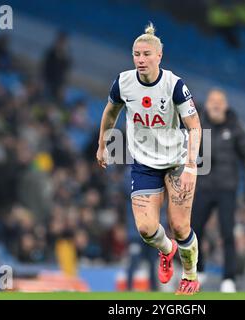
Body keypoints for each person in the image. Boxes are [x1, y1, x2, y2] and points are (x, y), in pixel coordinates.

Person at [96, 23, 202, 295]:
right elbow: (110, 113)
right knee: (145, 229)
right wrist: (102, 144)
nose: (140, 60)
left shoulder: (174, 85)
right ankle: (167, 250)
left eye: (145, 54)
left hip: (176, 161)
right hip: (144, 164)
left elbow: (195, 126)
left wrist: (191, 166)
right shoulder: (123, 82)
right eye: (136, 54)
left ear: (159, 57)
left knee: (179, 226)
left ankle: (190, 276)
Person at [192, 88, 245, 292]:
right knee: (193, 230)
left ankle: (228, 278)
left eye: (220, 102)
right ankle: (196, 271)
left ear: (226, 106)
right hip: (203, 186)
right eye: (212, 101)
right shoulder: (198, 125)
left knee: (227, 232)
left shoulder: (236, 128)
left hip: (226, 188)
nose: (216, 105)